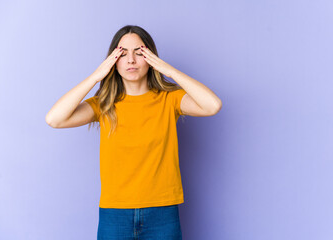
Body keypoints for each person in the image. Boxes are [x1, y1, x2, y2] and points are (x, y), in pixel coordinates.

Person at [45, 25, 222, 240]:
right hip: (115, 212)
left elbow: (212, 105)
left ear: (151, 58)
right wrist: (96, 76)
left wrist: (170, 71)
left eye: (139, 53)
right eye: (122, 54)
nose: (131, 60)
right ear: (113, 61)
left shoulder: (170, 99)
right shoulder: (104, 104)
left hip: (163, 211)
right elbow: (54, 119)